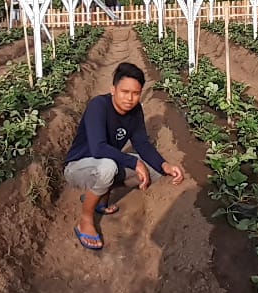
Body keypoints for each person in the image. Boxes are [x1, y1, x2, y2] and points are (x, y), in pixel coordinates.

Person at [63, 62, 184, 250]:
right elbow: (98, 148)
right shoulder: (98, 106)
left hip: (105, 163)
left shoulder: (135, 111)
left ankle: (100, 197)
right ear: (113, 89)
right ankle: (86, 220)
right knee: (109, 167)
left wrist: (165, 165)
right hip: (78, 167)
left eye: (135, 93)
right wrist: (134, 162)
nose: (130, 98)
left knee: (154, 171)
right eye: (124, 92)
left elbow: (142, 143)